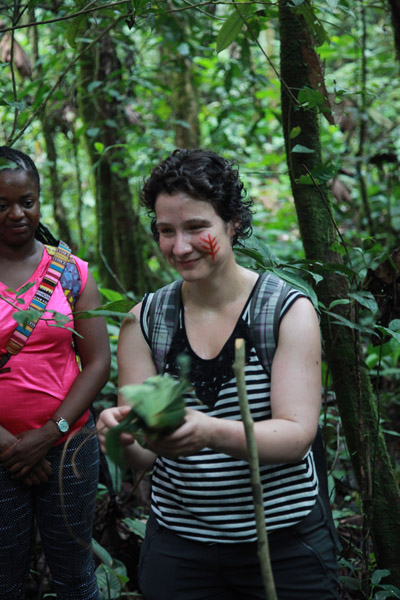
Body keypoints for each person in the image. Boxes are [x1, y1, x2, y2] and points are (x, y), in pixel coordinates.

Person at [97, 148, 340, 600]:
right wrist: (124, 438)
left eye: (196, 227)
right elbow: (147, 457)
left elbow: (295, 435)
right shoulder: (144, 322)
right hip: (181, 544)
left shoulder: (284, 310)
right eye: (166, 231)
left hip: (283, 541)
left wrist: (207, 431)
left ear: (232, 224)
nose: (180, 246)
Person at [0, 146, 111, 600]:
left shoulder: (71, 272)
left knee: (75, 575)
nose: (16, 214)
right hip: (2, 452)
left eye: (26, 201)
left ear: (39, 199)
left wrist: (49, 432)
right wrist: (8, 445)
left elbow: (98, 361)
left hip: (68, 445)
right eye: (1, 204)